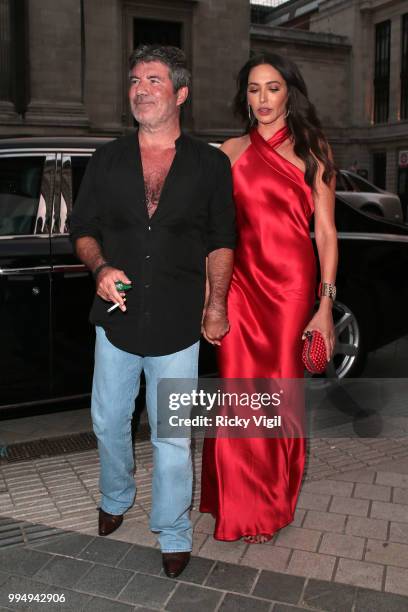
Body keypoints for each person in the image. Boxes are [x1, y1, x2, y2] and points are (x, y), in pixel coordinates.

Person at [70, 44, 235, 577]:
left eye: (155, 80)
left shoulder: (209, 164)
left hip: (178, 324)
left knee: (172, 433)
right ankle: (116, 498)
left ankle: (173, 529)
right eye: (135, 79)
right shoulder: (106, 160)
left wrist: (215, 306)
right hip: (115, 321)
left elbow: (220, 241)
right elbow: (84, 230)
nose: (141, 88)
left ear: (181, 93)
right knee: (108, 422)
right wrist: (98, 269)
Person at [200, 52, 338, 543]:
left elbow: (324, 234)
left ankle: (271, 503)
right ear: (245, 96)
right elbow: (213, 230)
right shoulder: (230, 151)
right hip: (240, 285)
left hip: (291, 288)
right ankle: (240, 505)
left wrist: (324, 305)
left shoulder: (314, 150)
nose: (262, 99)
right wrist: (210, 297)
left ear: (289, 93)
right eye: (254, 89)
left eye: (272, 88)